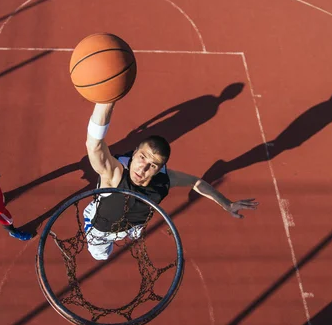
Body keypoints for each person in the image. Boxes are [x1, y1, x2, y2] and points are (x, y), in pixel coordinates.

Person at [81, 102, 259, 260]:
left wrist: (226, 204)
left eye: (152, 165)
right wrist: (106, 101)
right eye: (142, 157)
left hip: (133, 224)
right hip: (102, 228)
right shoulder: (114, 174)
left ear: (159, 168)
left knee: (134, 231)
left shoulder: (165, 181)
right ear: (134, 153)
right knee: (101, 256)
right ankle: (92, 211)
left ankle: (129, 225)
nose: (142, 169)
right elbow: (94, 145)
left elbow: (196, 182)